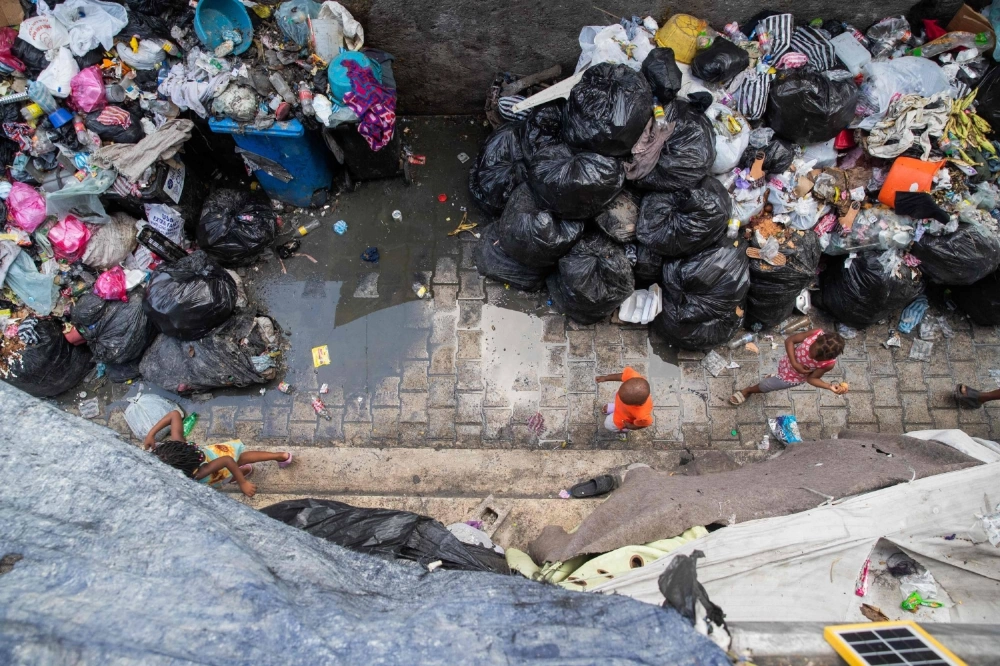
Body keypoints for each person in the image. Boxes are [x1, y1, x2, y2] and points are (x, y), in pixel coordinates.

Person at [142, 410, 293, 498]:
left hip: (219, 467)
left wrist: (243, 483)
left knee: (237, 465)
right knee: (241, 458)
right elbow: (174, 415)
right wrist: (151, 434)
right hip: (216, 453)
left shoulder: (200, 473)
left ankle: (242, 473)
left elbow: (227, 461)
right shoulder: (179, 442)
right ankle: (280, 456)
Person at [730, 328, 848, 405]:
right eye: (812, 350)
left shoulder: (828, 364)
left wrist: (829, 386)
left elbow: (812, 378)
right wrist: (795, 364)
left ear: (827, 359)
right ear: (816, 340)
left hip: (793, 378)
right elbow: (789, 341)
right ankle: (776, 375)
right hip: (788, 362)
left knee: (766, 385)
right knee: (778, 372)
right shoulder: (815, 333)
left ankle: (749, 390)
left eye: (817, 359)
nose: (811, 356)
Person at [595, 367, 653, 432]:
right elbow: (621, 376)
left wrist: (630, 426)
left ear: (635, 404)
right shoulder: (634, 378)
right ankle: (616, 407)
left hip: (624, 418)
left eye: (623, 401)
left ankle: (622, 430)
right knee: (620, 403)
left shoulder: (642, 415)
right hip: (623, 408)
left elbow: (643, 424)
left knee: (608, 424)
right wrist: (605, 378)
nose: (619, 396)